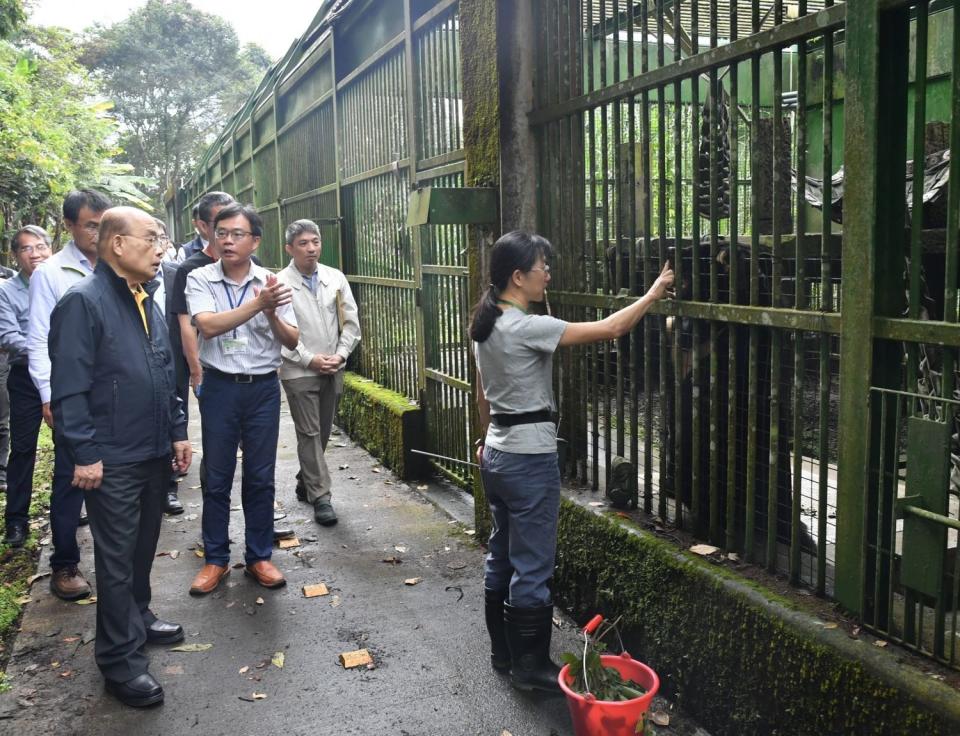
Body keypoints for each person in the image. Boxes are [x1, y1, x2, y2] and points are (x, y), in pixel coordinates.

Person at [470, 231, 673, 693]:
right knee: (533, 566)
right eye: (542, 267)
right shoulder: (525, 326)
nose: (548, 274)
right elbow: (613, 329)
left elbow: (483, 394)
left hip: (498, 453)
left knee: (501, 555)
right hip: (528, 459)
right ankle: (530, 667)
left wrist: (484, 442)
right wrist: (652, 293)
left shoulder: (485, 325)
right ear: (518, 277)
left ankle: (504, 653)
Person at [49, 206, 191, 707]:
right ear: (117, 245)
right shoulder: (82, 303)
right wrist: (84, 453)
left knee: (141, 547)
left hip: (151, 449)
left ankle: (140, 616)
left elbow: (162, 369)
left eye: (163, 239)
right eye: (151, 238)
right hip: (111, 457)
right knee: (114, 560)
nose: (161, 248)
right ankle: (120, 660)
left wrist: (176, 430)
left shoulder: (147, 299)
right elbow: (68, 388)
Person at [185, 204, 298, 595]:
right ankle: (215, 560)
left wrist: (270, 314)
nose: (227, 240)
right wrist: (257, 304)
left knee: (260, 476)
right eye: (221, 233)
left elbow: (293, 340)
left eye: (237, 234)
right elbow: (210, 326)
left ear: (255, 241)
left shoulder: (273, 281)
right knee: (216, 477)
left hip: (263, 388)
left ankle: (259, 557)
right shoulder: (200, 277)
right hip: (219, 387)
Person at [27, 189, 112, 600]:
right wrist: (50, 396)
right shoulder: (52, 273)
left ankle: (117, 566)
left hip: (113, 396)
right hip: (71, 396)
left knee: (114, 480)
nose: (98, 233)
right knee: (68, 481)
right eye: (90, 225)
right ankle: (64, 565)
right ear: (70, 226)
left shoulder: (119, 265)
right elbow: (39, 339)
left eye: (103, 223)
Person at [277, 220, 360, 527]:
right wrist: (309, 359)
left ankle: (306, 479)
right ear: (289, 248)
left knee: (323, 432)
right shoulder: (279, 284)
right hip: (298, 370)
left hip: (332, 367)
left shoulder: (334, 278)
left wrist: (339, 355)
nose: (311, 248)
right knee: (309, 432)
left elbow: (350, 323)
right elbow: (278, 334)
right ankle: (321, 496)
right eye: (303, 243)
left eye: (315, 242)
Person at [0, 227, 52, 546]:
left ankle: (72, 509)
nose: (35, 253)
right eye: (26, 249)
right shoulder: (7, 291)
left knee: (71, 444)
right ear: (15, 256)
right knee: (22, 449)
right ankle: (16, 521)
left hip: (63, 375)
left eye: (41, 246)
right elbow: (7, 336)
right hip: (25, 380)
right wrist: (43, 349)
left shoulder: (62, 280)